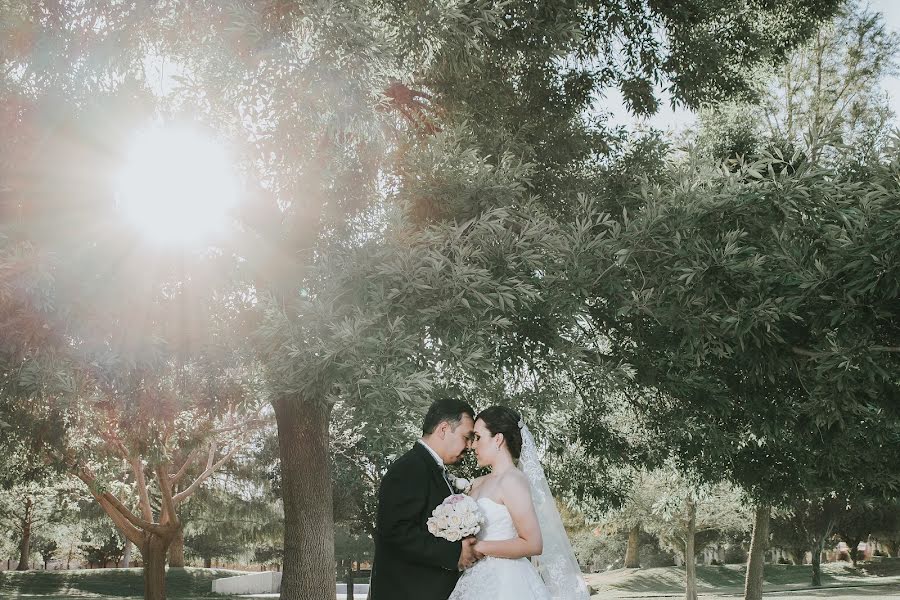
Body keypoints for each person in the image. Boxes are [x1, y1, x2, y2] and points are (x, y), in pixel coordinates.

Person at [448, 406, 590, 600]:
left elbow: (532, 544)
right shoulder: (479, 482)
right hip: (475, 577)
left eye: (478, 437)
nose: (472, 446)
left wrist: (478, 547)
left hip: (507, 582)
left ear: (498, 439)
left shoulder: (513, 480)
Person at [369, 398, 479, 600]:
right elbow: (396, 532)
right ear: (444, 429)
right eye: (466, 437)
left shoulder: (429, 468)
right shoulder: (409, 468)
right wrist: (454, 553)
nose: (470, 446)